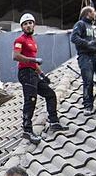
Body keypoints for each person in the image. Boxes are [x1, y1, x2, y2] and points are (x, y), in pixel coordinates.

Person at [12, 12, 64, 144]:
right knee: (31, 100)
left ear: (34, 24)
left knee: (50, 94)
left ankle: (53, 121)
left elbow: (34, 63)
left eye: (30, 23)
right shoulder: (20, 40)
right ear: (22, 27)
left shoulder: (32, 42)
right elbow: (16, 56)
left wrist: (42, 75)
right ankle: (27, 131)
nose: (28, 26)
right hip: (25, 73)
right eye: (25, 24)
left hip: (33, 73)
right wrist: (33, 59)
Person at [70, 5, 96, 115]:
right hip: (85, 57)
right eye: (94, 11)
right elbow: (73, 38)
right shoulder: (80, 24)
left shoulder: (92, 26)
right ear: (88, 13)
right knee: (88, 81)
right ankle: (88, 106)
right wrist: (87, 43)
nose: (95, 13)